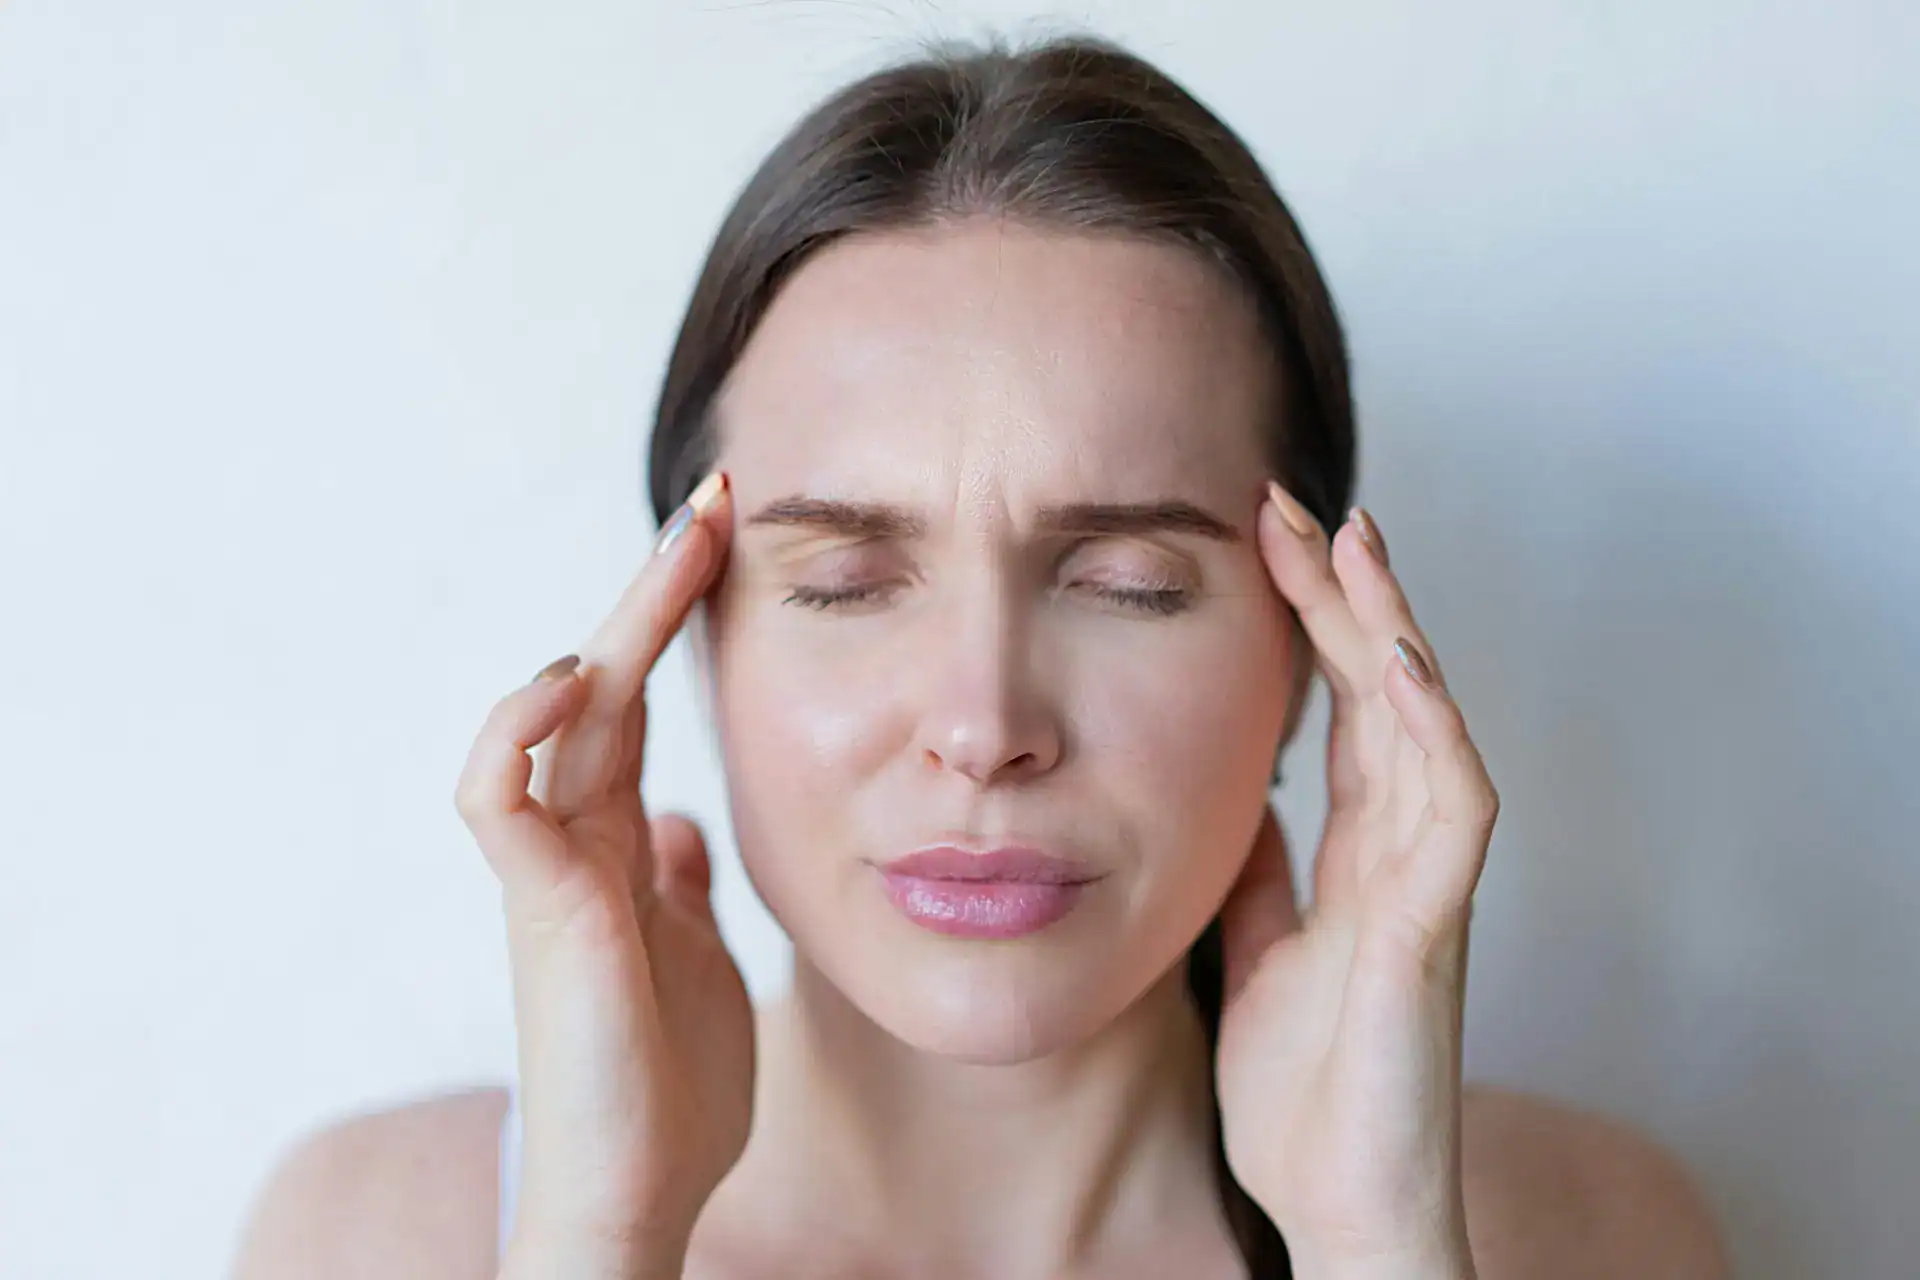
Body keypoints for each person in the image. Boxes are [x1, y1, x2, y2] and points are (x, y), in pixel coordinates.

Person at [232, 33, 1730, 1280]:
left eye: (1131, 583)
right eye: (848, 583)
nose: (983, 722)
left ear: (1311, 660)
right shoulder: (382, 1234)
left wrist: (1377, 1236)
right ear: (690, 649)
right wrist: (600, 1235)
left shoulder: (1587, 1234)